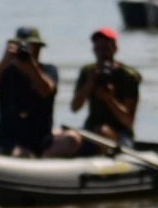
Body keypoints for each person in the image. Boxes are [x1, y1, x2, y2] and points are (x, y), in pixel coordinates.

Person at [0, 26, 71, 157]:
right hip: (9, 141)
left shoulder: (48, 70)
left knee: (72, 139)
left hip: (40, 140)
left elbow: (45, 91)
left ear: (39, 48)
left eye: (31, 46)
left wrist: (30, 66)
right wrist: (5, 59)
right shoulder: (5, 72)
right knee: (20, 153)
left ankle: (43, 162)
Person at [57, 27, 140, 158]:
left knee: (103, 131)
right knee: (64, 136)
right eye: (98, 49)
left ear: (114, 48)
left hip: (120, 135)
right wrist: (89, 83)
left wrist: (109, 98)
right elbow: (74, 108)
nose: (102, 54)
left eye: (106, 49)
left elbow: (128, 121)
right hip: (91, 129)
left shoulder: (128, 76)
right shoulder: (88, 72)